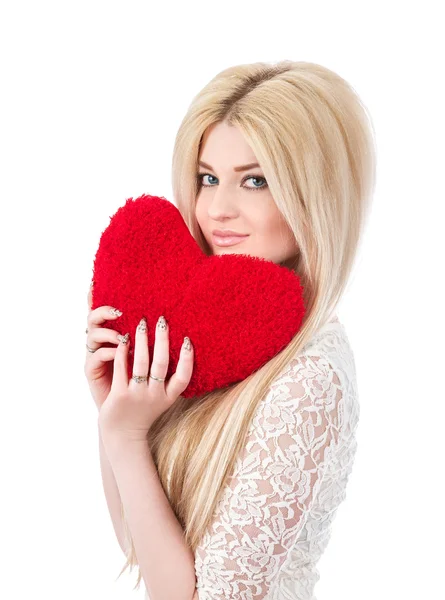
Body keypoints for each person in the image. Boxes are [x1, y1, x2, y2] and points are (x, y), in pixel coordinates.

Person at [85, 59, 376, 599]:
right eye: (207, 178)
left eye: (255, 180)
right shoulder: (215, 340)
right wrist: (115, 413)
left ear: (314, 193)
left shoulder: (308, 376)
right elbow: (142, 550)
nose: (217, 209)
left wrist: (124, 438)